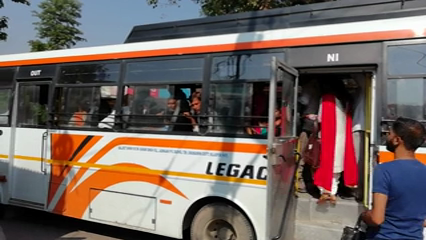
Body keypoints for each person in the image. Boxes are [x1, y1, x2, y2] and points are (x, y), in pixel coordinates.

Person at [361, 117, 426, 240]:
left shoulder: (384, 170)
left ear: (397, 140)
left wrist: (365, 215)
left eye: (389, 133)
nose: (387, 136)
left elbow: (377, 219)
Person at [314, 80, 358, 204]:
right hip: (343, 136)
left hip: (330, 137)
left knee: (326, 163)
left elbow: (320, 118)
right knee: (336, 166)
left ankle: (325, 192)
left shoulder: (327, 98)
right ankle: (333, 192)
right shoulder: (346, 99)